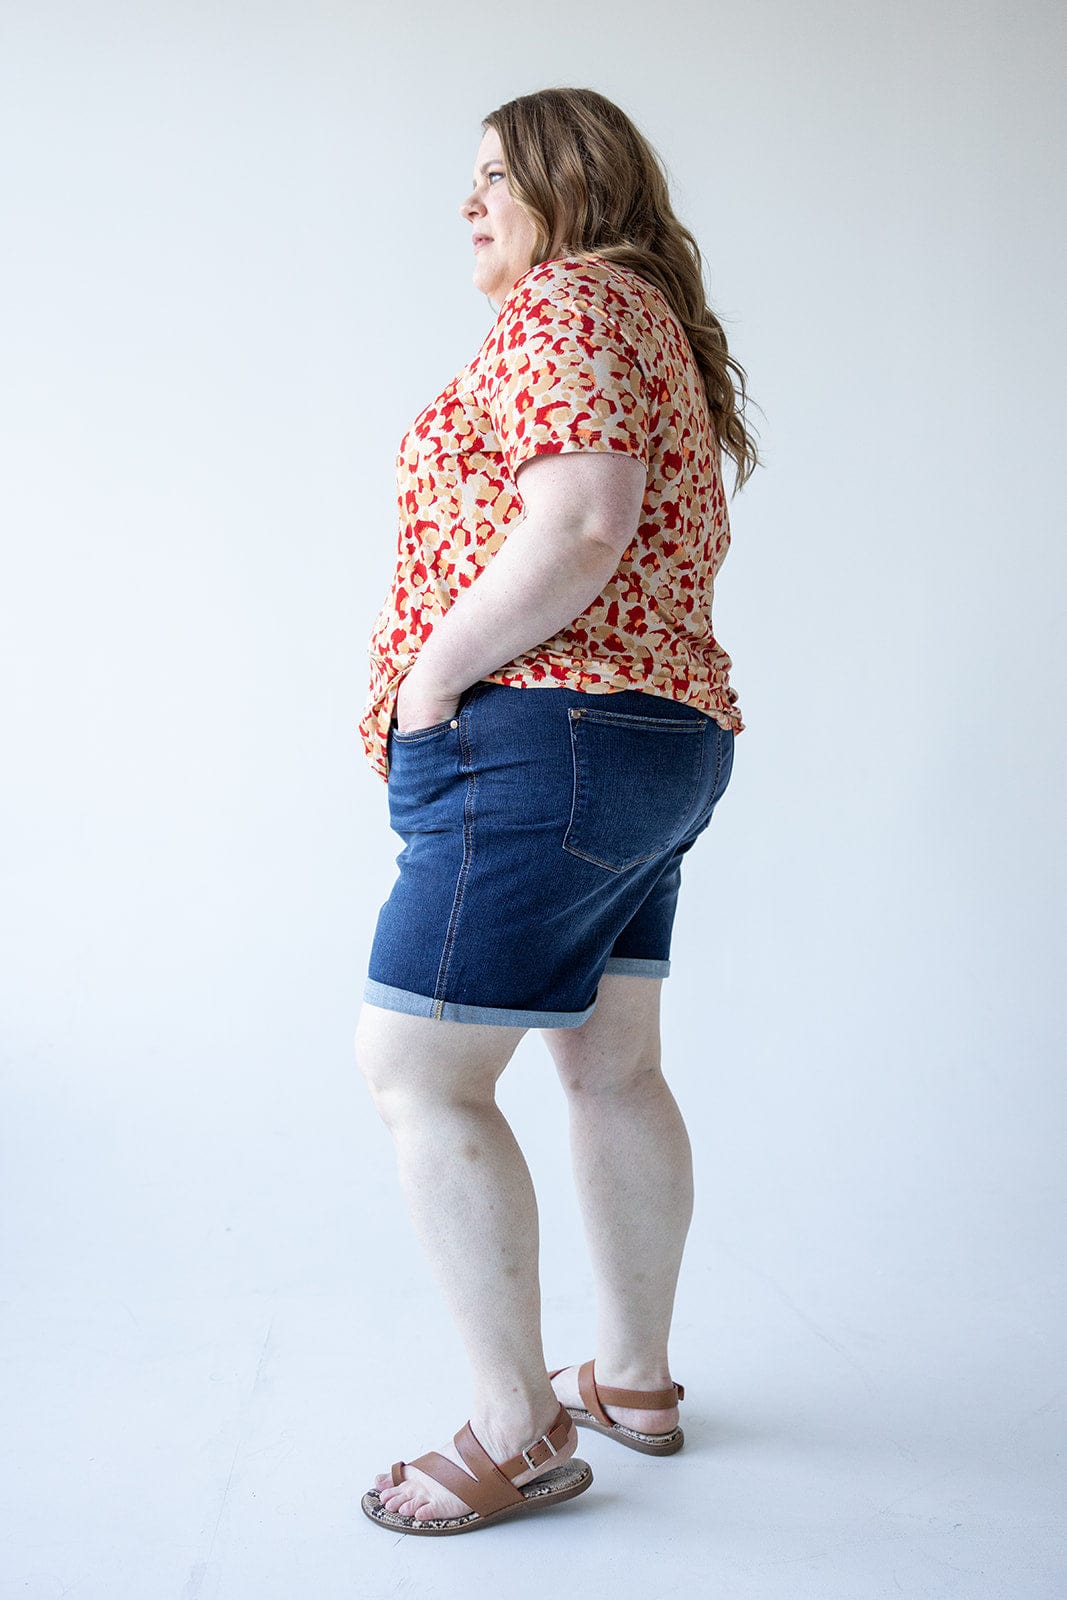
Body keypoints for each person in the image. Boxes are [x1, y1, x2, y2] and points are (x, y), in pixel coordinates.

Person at [355, 86, 762, 1537]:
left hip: (551, 733)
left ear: (566, 183)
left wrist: (430, 682)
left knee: (419, 1070)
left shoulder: (569, 305)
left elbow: (582, 521)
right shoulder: (646, 318)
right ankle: (633, 1379)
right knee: (611, 1066)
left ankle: (517, 1428)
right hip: (653, 739)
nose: (469, 203)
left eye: (492, 176)